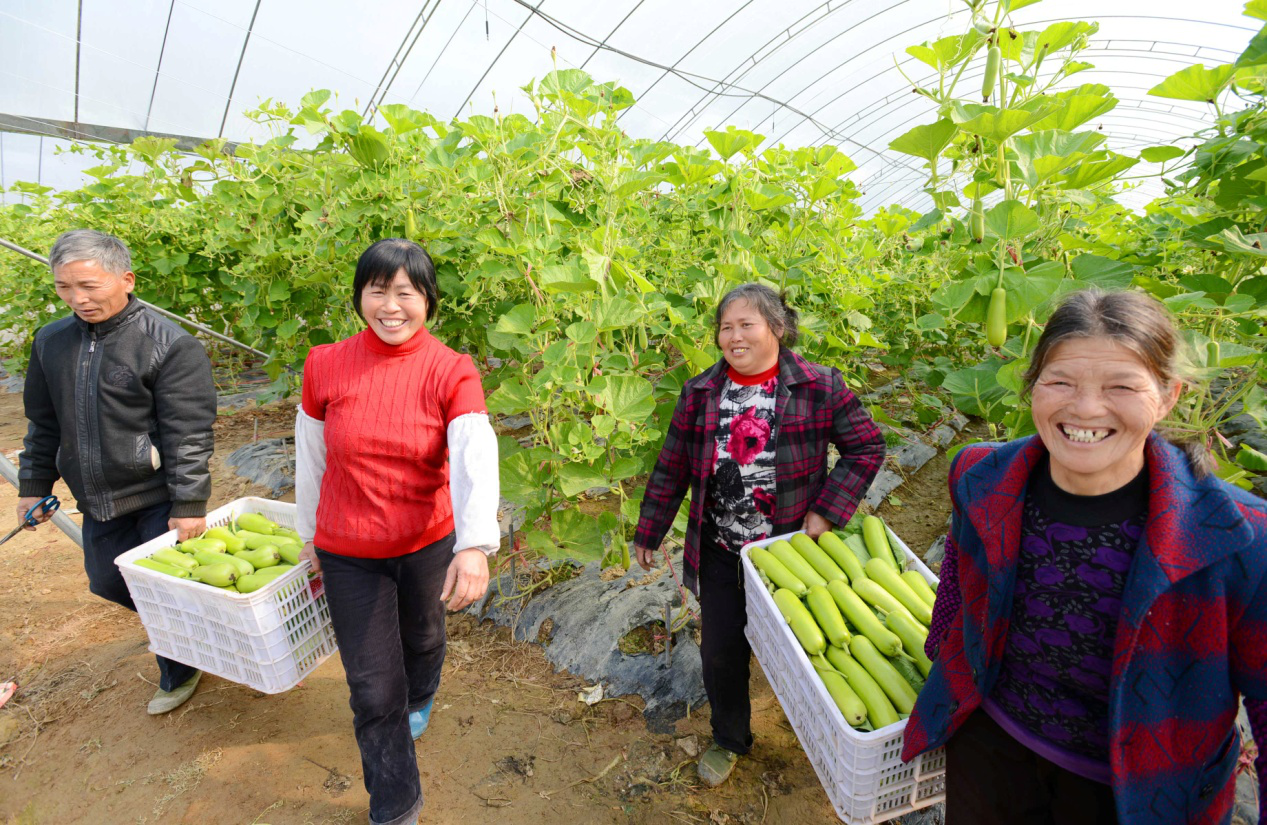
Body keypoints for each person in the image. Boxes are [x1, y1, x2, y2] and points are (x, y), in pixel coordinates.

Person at [902, 289, 1266, 825]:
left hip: (1139, 791)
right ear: (1032, 387)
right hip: (990, 749)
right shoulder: (978, 475)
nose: (1085, 408)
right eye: (1060, 382)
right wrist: (944, 673)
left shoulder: (1243, 537)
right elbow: (959, 583)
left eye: (1121, 386)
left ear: (1168, 396)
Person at [632, 282, 886, 786]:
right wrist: (650, 530)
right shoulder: (701, 392)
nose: (734, 336)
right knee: (721, 651)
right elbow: (671, 467)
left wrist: (827, 512)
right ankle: (730, 738)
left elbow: (866, 447)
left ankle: (836, 744)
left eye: (746, 324)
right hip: (722, 548)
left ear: (777, 328)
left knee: (814, 652)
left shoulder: (821, 386)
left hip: (792, 550)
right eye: (726, 327)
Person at [294, 238, 499, 825]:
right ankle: (395, 805)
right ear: (360, 296)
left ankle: (423, 692)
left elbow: (472, 457)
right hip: (347, 549)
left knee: (425, 635)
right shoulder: (324, 363)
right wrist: (311, 534)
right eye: (377, 290)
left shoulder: (452, 370)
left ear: (428, 301)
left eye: (405, 293)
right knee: (372, 689)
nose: (391, 305)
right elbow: (310, 456)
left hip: (424, 541)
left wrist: (475, 545)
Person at [17, 228, 215, 714]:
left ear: (126, 279)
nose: (78, 299)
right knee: (107, 581)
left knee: (160, 589)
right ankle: (196, 637)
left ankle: (180, 669)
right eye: (65, 287)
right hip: (98, 497)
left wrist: (189, 503)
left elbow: (188, 432)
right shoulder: (51, 342)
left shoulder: (169, 344)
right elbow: (44, 422)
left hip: (156, 494)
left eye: (90, 286)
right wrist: (33, 485)